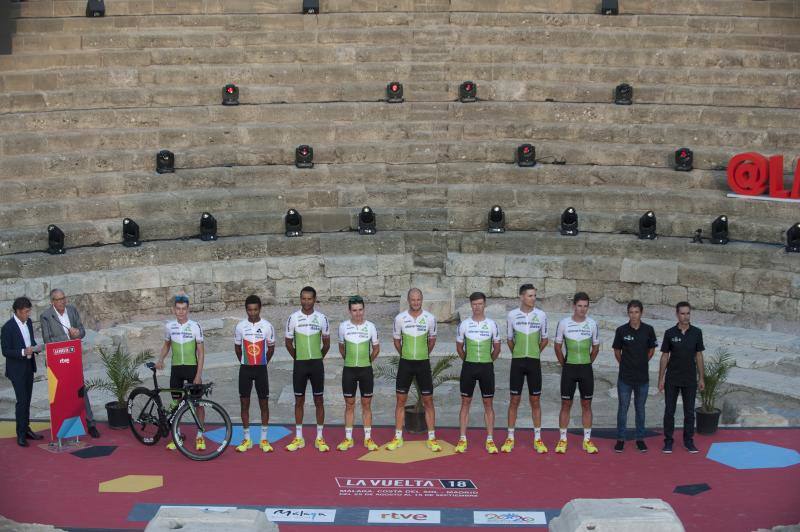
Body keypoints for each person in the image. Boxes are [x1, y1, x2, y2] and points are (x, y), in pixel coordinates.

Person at [39, 289, 100, 438]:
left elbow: (82, 331)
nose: (62, 302)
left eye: (63, 298)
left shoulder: (72, 310)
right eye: (58, 299)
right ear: (52, 301)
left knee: (81, 389)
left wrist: (78, 333)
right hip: (57, 360)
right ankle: (63, 427)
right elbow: (47, 340)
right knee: (61, 393)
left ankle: (90, 423)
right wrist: (67, 336)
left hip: (73, 358)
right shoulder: (46, 316)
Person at [388, 288, 441, 452]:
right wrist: (406, 355)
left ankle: (432, 438)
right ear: (408, 300)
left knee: (428, 401)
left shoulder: (430, 318)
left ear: (422, 300)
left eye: (418, 300)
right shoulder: (400, 318)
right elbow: (397, 342)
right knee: (400, 401)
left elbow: (432, 340)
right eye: (413, 300)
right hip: (406, 364)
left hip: (423, 364)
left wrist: (422, 355)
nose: (416, 302)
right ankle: (398, 437)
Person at [502, 283, 549, 454]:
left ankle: (538, 438)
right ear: (522, 297)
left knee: (535, 400)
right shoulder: (512, 315)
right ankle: (510, 438)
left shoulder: (541, 315)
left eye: (534, 295)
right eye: (530, 296)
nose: (533, 298)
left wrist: (535, 352)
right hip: (517, 362)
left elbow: (544, 339)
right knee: (514, 400)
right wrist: (518, 353)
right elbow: (509, 339)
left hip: (534, 362)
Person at [155, 294, 205, 451]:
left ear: (188, 309)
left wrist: (198, 375)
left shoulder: (195, 326)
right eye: (178, 309)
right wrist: (161, 359)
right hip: (176, 369)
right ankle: (177, 435)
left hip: (191, 369)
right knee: (175, 403)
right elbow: (166, 345)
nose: (181, 312)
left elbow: (201, 353)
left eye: (184, 309)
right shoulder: (169, 326)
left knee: (198, 403)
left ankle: (200, 436)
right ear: (174, 310)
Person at [284, 286, 331, 452]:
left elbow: (327, 343)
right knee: (299, 401)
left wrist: (318, 357)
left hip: (316, 364)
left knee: (319, 400)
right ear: (300, 299)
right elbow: (288, 343)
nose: (306, 301)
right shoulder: (293, 318)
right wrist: (298, 357)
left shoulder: (322, 318)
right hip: (300, 365)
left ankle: (320, 437)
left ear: (315, 299)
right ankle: (299, 437)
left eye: (309, 298)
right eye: (303, 298)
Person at [455, 292, 501, 454]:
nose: (477, 307)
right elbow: (459, 347)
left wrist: (488, 361)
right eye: (474, 304)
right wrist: (468, 360)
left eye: (480, 304)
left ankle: (490, 440)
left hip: (486, 368)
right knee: (465, 403)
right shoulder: (464, 324)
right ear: (470, 305)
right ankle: (462, 439)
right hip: (469, 367)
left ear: (484, 305)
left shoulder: (492, 324)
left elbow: (497, 348)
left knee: (488, 404)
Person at [554, 292, 600, 455]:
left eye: (585, 306)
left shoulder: (592, 324)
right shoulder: (564, 323)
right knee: (566, 404)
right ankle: (562, 439)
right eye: (579, 306)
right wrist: (564, 364)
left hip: (586, 369)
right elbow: (557, 346)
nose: (582, 309)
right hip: (569, 369)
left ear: (588, 307)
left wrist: (587, 362)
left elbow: (595, 348)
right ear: (574, 306)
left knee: (586, 404)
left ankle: (587, 440)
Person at [658, 301, 705, 454]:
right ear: (677, 314)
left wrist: (701, 378)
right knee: (669, 411)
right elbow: (665, 356)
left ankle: (689, 441)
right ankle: (668, 441)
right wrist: (661, 378)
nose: (685, 316)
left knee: (689, 412)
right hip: (672, 378)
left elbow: (699, 355)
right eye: (682, 313)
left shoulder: (697, 333)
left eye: (688, 313)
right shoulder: (670, 333)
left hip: (690, 379)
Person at [336, 296, 380, 452]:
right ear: (349, 311)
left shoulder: (371, 327)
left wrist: (367, 361)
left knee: (366, 404)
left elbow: (376, 349)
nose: (358, 313)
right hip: (349, 370)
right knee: (349, 404)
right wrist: (349, 360)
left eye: (360, 310)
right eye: (354, 310)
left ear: (364, 309)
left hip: (365, 370)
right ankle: (348, 439)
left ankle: (368, 438)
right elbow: (341, 348)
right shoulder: (343, 327)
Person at [612, 300, 657, 453]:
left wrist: (642, 361)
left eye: (636, 312)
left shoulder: (649, 330)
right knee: (623, 408)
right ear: (628, 313)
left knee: (640, 409)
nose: (634, 315)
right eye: (631, 312)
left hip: (642, 378)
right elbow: (617, 351)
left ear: (641, 313)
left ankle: (640, 439)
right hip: (625, 378)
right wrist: (625, 364)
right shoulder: (621, 330)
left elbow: (651, 350)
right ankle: (620, 439)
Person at [233, 295, 276, 453]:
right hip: (245, 369)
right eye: (249, 310)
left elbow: (271, 348)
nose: (252, 313)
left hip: (261, 369)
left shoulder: (267, 326)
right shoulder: (240, 326)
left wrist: (263, 361)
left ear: (260, 309)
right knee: (244, 404)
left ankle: (264, 439)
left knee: (263, 404)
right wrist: (245, 361)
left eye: (255, 309)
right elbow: (237, 348)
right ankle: (247, 439)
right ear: (246, 310)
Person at [1, 297, 45, 447]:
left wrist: (36, 347)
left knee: (27, 400)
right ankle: (20, 433)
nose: (28, 314)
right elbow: (6, 351)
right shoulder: (8, 327)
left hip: (28, 365)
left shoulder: (29, 323)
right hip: (16, 370)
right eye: (26, 312)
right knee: (22, 401)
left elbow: (30, 341)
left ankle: (26, 429)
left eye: (29, 311)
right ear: (18, 311)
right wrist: (22, 351)